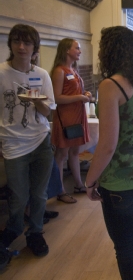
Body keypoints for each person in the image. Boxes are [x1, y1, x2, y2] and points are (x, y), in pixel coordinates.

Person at [85, 26, 133, 279]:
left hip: (121, 179)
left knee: (126, 246)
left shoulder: (111, 85)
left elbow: (108, 144)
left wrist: (89, 180)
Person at [0, 24, 56, 257]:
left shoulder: (40, 74)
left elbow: (48, 112)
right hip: (13, 143)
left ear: (34, 47)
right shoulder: (2, 73)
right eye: (17, 42)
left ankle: (35, 232)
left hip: (41, 140)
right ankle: (13, 229)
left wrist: (35, 100)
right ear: (11, 44)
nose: (22, 47)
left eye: (27, 43)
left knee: (39, 194)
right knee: (19, 195)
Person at [50, 38, 91, 204]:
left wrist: (85, 94)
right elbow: (57, 97)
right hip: (65, 117)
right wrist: (80, 97)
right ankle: (60, 190)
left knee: (75, 152)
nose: (80, 51)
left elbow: (74, 92)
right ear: (67, 50)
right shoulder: (59, 71)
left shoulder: (73, 70)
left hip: (77, 115)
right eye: (77, 48)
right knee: (61, 154)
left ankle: (79, 184)